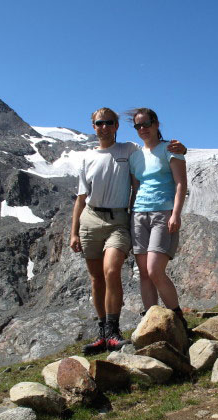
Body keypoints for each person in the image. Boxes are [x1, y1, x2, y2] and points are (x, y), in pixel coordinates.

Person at [70, 107, 186, 354]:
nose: (104, 126)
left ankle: (172, 320)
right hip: (108, 217)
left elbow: (170, 165)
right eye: (100, 123)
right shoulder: (97, 157)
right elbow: (82, 198)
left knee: (120, 270)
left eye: (109, 122)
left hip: (131, 217)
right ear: (94, 126)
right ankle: (118, 331)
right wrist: (74, 232)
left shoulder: (130, 149)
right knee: (104, 277)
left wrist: (181, 148)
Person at [128, 108, 190, 334]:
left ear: (156, 123)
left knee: (154, 270)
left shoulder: (170, 149)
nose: (142, 129)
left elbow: (181, 183)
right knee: (144, 272)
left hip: (162, 213)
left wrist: (176, 213)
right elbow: (135, 188)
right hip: (138, 214)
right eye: (137, 126)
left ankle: (178, 318)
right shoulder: (135, 156)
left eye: (146, 124)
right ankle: (153, 325)